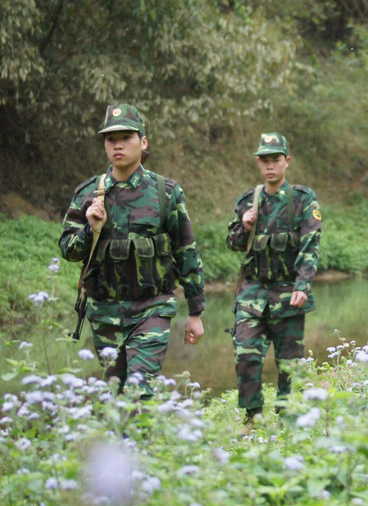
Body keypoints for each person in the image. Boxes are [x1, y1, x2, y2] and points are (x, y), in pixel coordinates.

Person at [59, 104, 206, 398]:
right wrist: (89, 229)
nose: (118, 144)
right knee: (115, 395)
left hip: (152, 309)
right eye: (111, 138)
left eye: (126, 136)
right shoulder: (88, 194)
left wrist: (195, 311)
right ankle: (129, 444)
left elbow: (186, 250)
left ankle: (137, 441)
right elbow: (68, 249)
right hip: (104, 314)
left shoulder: (166, 192)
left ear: (143, 142)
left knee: (138, 391)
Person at [227, 133, 321, 426]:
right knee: (246, 355)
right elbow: (232, 243)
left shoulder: (302, 200)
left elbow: (310, 244)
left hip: (287, 294)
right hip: (252, 294)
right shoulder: (247, 201)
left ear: (286, 162)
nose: (270, 166)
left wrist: (302, 285)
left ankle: (287, 418)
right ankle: (252, 416)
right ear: (258, 162)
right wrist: (244, 227)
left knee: (290, 365)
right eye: (264, 160)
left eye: (275, 160)